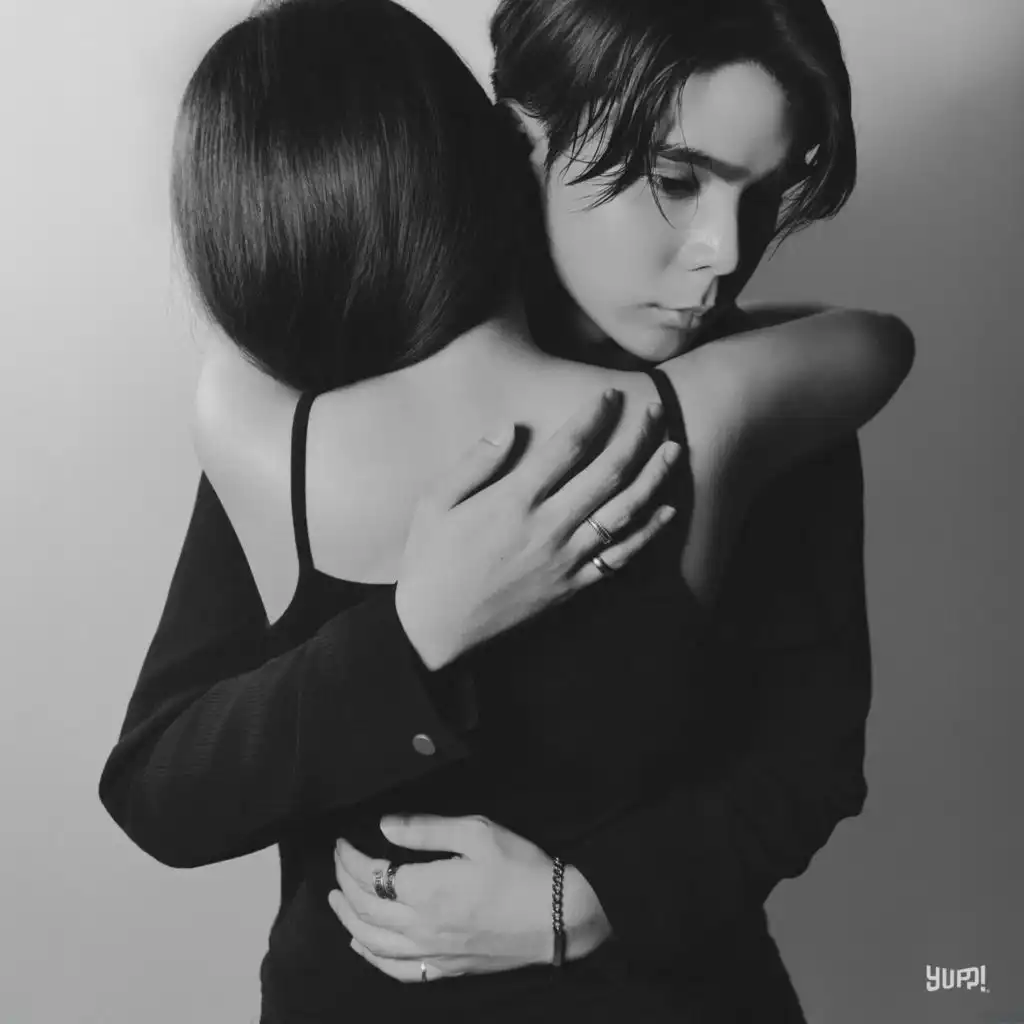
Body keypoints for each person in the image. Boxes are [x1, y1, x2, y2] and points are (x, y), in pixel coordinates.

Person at [99, 0, 913, 1019]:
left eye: (767, 190)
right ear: (521, 135)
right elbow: (164, 789)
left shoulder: (781, 406)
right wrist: (408, 641)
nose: (723, 249)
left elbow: (810, 763)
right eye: (676, 179)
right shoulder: (325, 383)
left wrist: (585, 903)